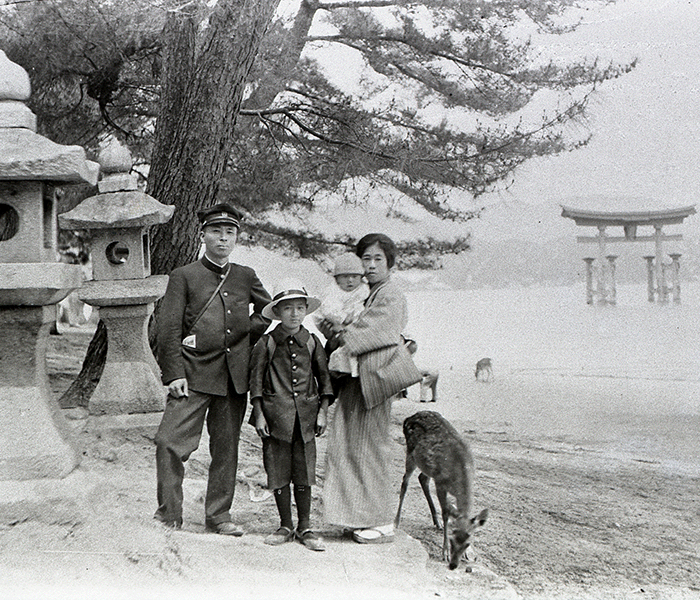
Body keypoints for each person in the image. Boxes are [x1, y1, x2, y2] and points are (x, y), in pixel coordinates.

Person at [154, 202, 271, 534]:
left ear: (236, 238)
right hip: (191, 374)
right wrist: (174, 373)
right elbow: (169, 329)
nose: (223, 239)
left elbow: (272, 310)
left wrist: (248, 329)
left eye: (230, 232)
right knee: (169, 442)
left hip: (233, 377)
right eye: (216, 231)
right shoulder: (184, 276)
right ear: (203, 234)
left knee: (226, 450)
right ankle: (169, 514)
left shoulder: (245, 276)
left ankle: (218, 516)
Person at [320, 233, 421, 544]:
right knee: (348, 447)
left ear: (390, 263)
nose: (372, 264)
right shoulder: (369, 292)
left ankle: (380, 520)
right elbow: (351, 329)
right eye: (367, 258)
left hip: (374, 379)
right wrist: (337, 332)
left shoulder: (390, 294)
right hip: (359, 377)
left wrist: (341, 332)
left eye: (379, 259)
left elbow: (375, 331)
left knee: (371, 449)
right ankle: (356, 517)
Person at [249, 279, 334, 551]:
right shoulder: (267, 343)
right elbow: (256, 382)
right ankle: (285, 524)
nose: (294, 314)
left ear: (306, 311)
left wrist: (322, 412)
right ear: (278, 312)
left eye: (300, 308)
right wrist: (259, 414)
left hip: (306, 419)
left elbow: (325, 380)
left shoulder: (312, 342)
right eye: (287, 309)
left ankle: (305, 526)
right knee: (277, 470)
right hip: (275, 418)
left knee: (305, 471)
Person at [313, 253, 369, 377]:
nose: (350, 280)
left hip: (351, 325)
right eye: (344, 276)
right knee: (342, 343)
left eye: (354, 276)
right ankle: (338, 368)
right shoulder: (333, 291)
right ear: (337, 278)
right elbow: (328, 309)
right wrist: (343, 318)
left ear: (361, 277)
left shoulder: (363, 290)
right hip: (332, 320)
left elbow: (360, 308)